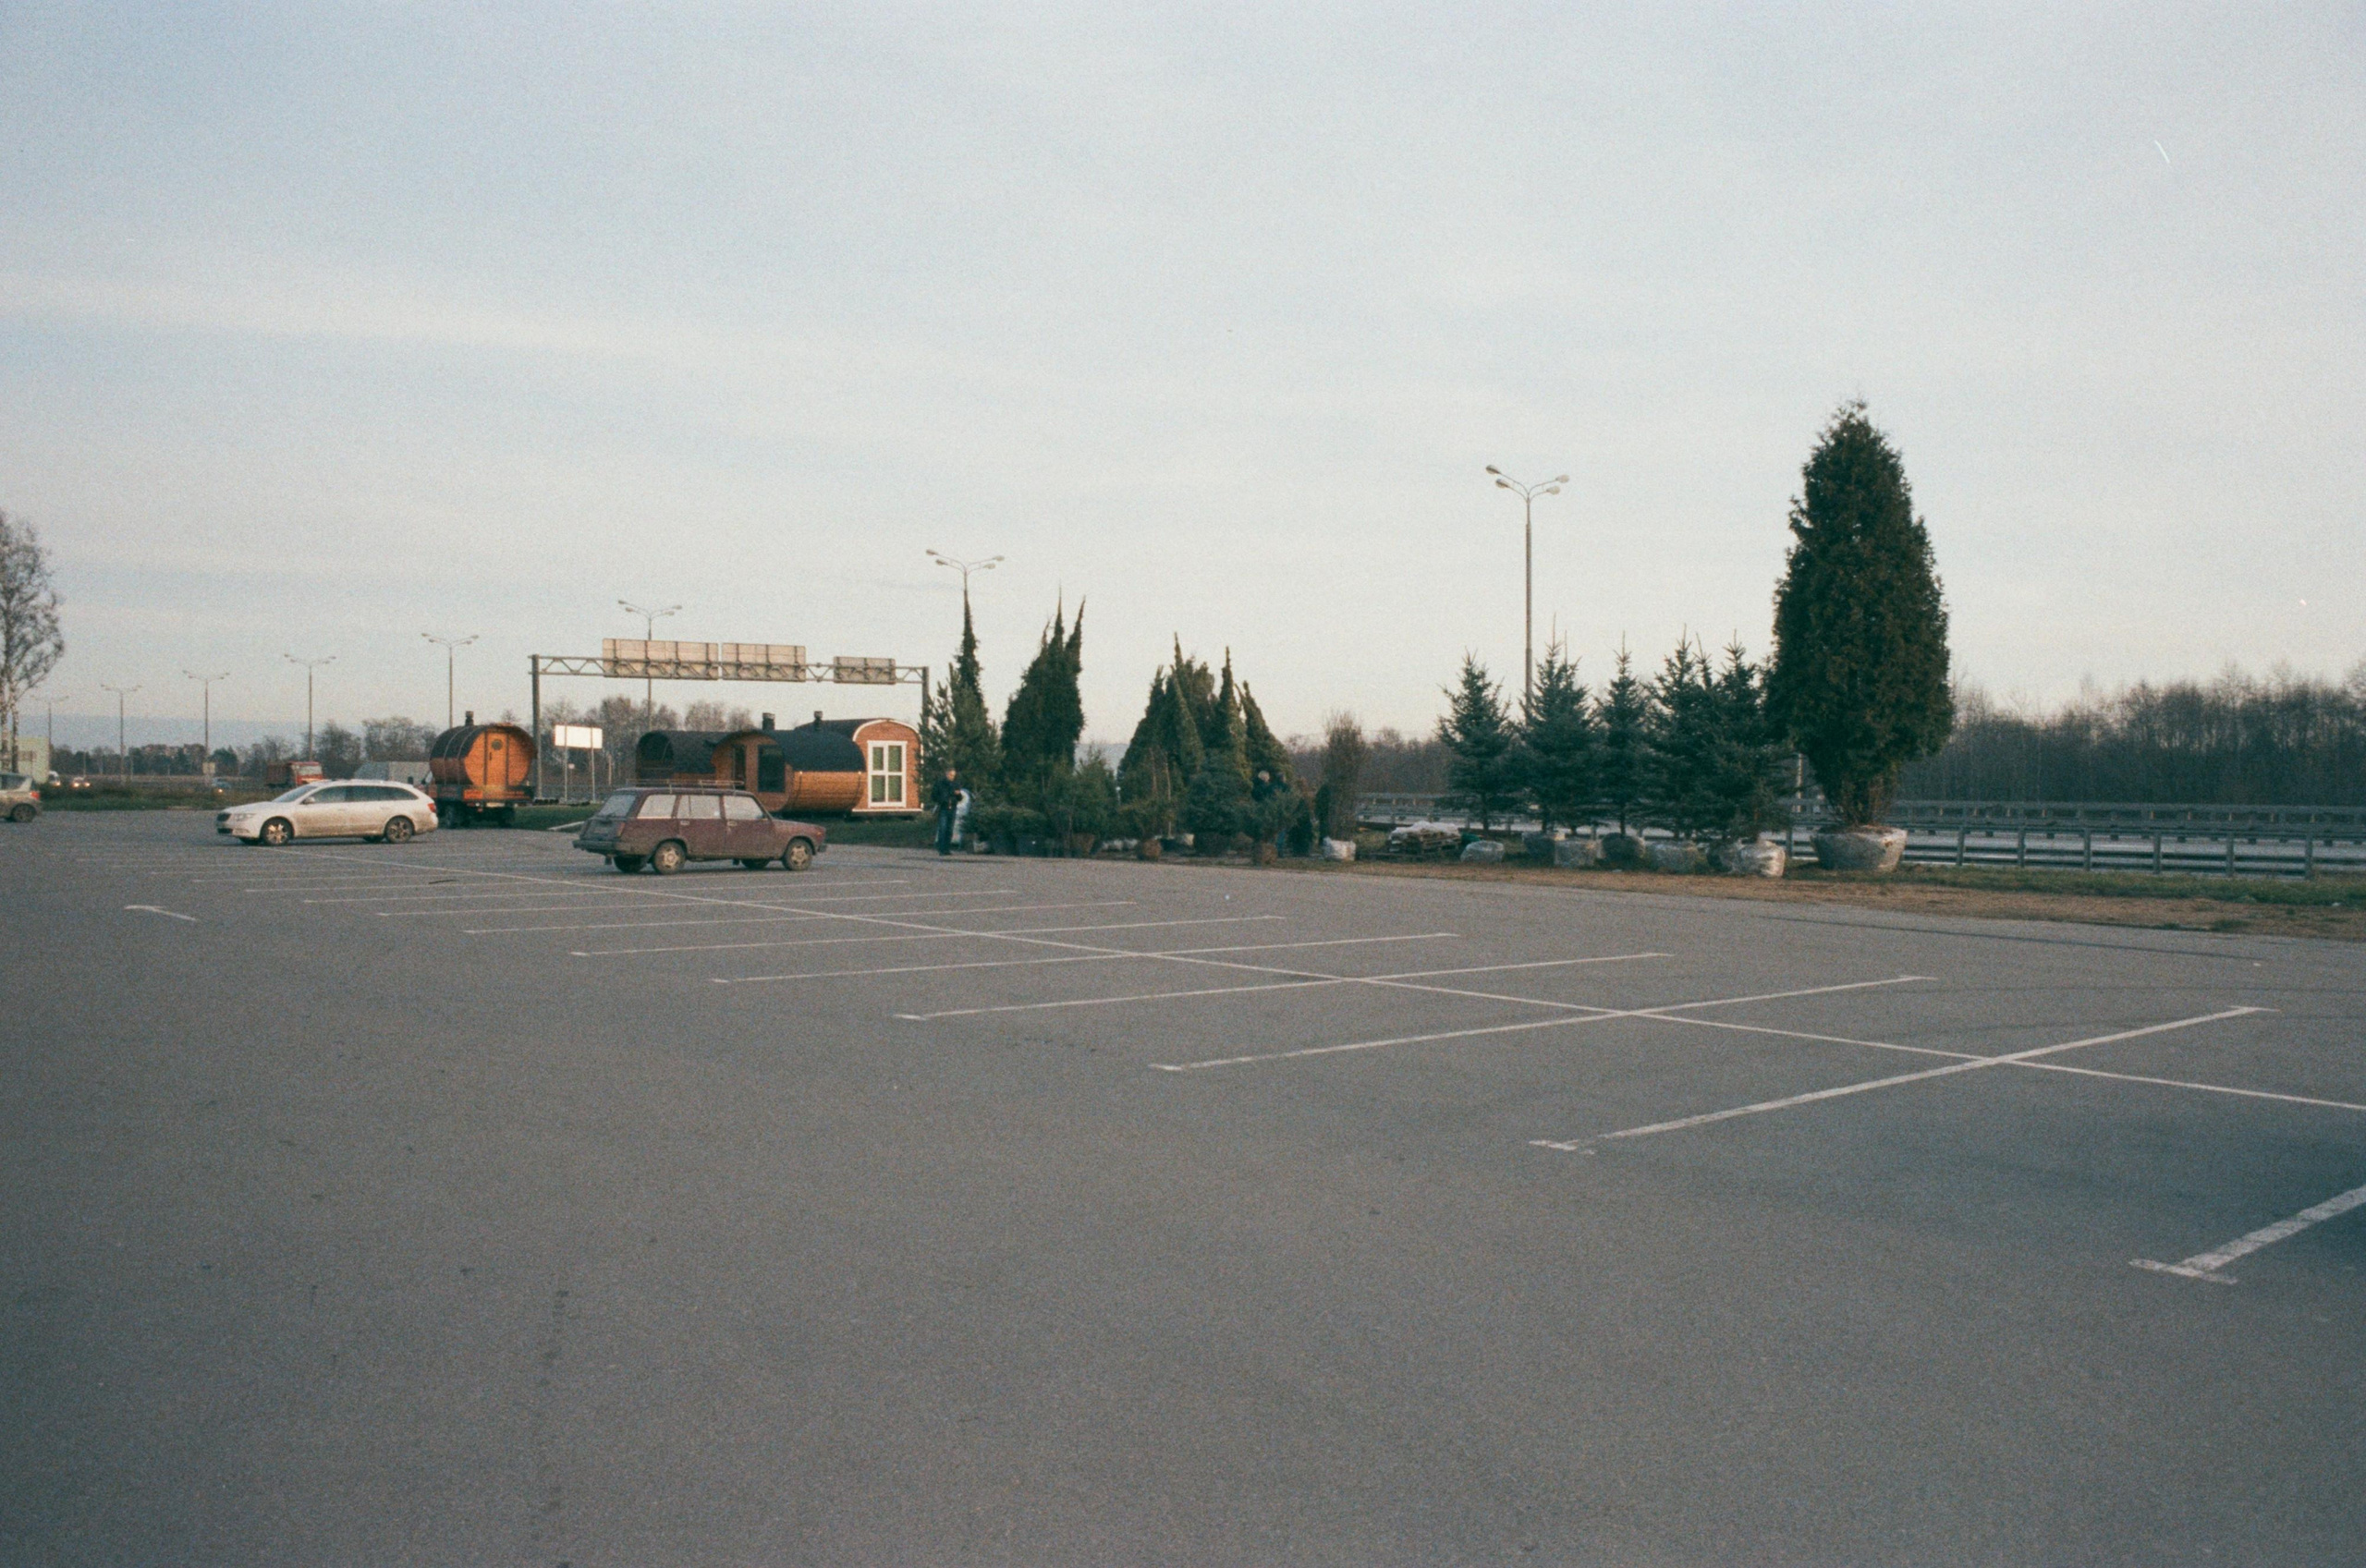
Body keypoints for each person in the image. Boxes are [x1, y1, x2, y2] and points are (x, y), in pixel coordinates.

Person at [931, 766, 961, 856]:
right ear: (947, 774)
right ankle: (941, 849)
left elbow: (959, 798)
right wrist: (942, 800)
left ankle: (947, 849)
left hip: (953, 808)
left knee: (949, 829)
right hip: (943, 808)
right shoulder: (940, 784)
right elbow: (934, 796)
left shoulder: (956, 784)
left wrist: (958, 795)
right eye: (951, 775)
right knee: (942, 828)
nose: (952, 777)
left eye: (954, 776)